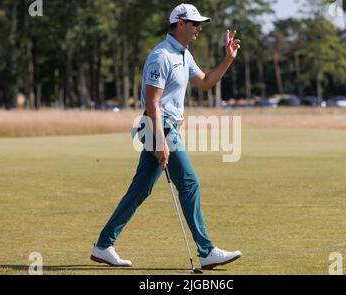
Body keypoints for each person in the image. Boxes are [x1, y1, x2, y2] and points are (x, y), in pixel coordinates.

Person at [90, 3, 242, 270]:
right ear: (179, 24)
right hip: (157, 126)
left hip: (163, 127)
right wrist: (160, 141)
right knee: (189, 183)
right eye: (195, 24)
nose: (199, 29)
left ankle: (103, 246)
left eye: (199, 24)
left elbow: (205, 82)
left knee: (140, 190)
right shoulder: (161, 55)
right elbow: (152, 101)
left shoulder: (184, 54)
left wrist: (228, 58)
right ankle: (206, 251)